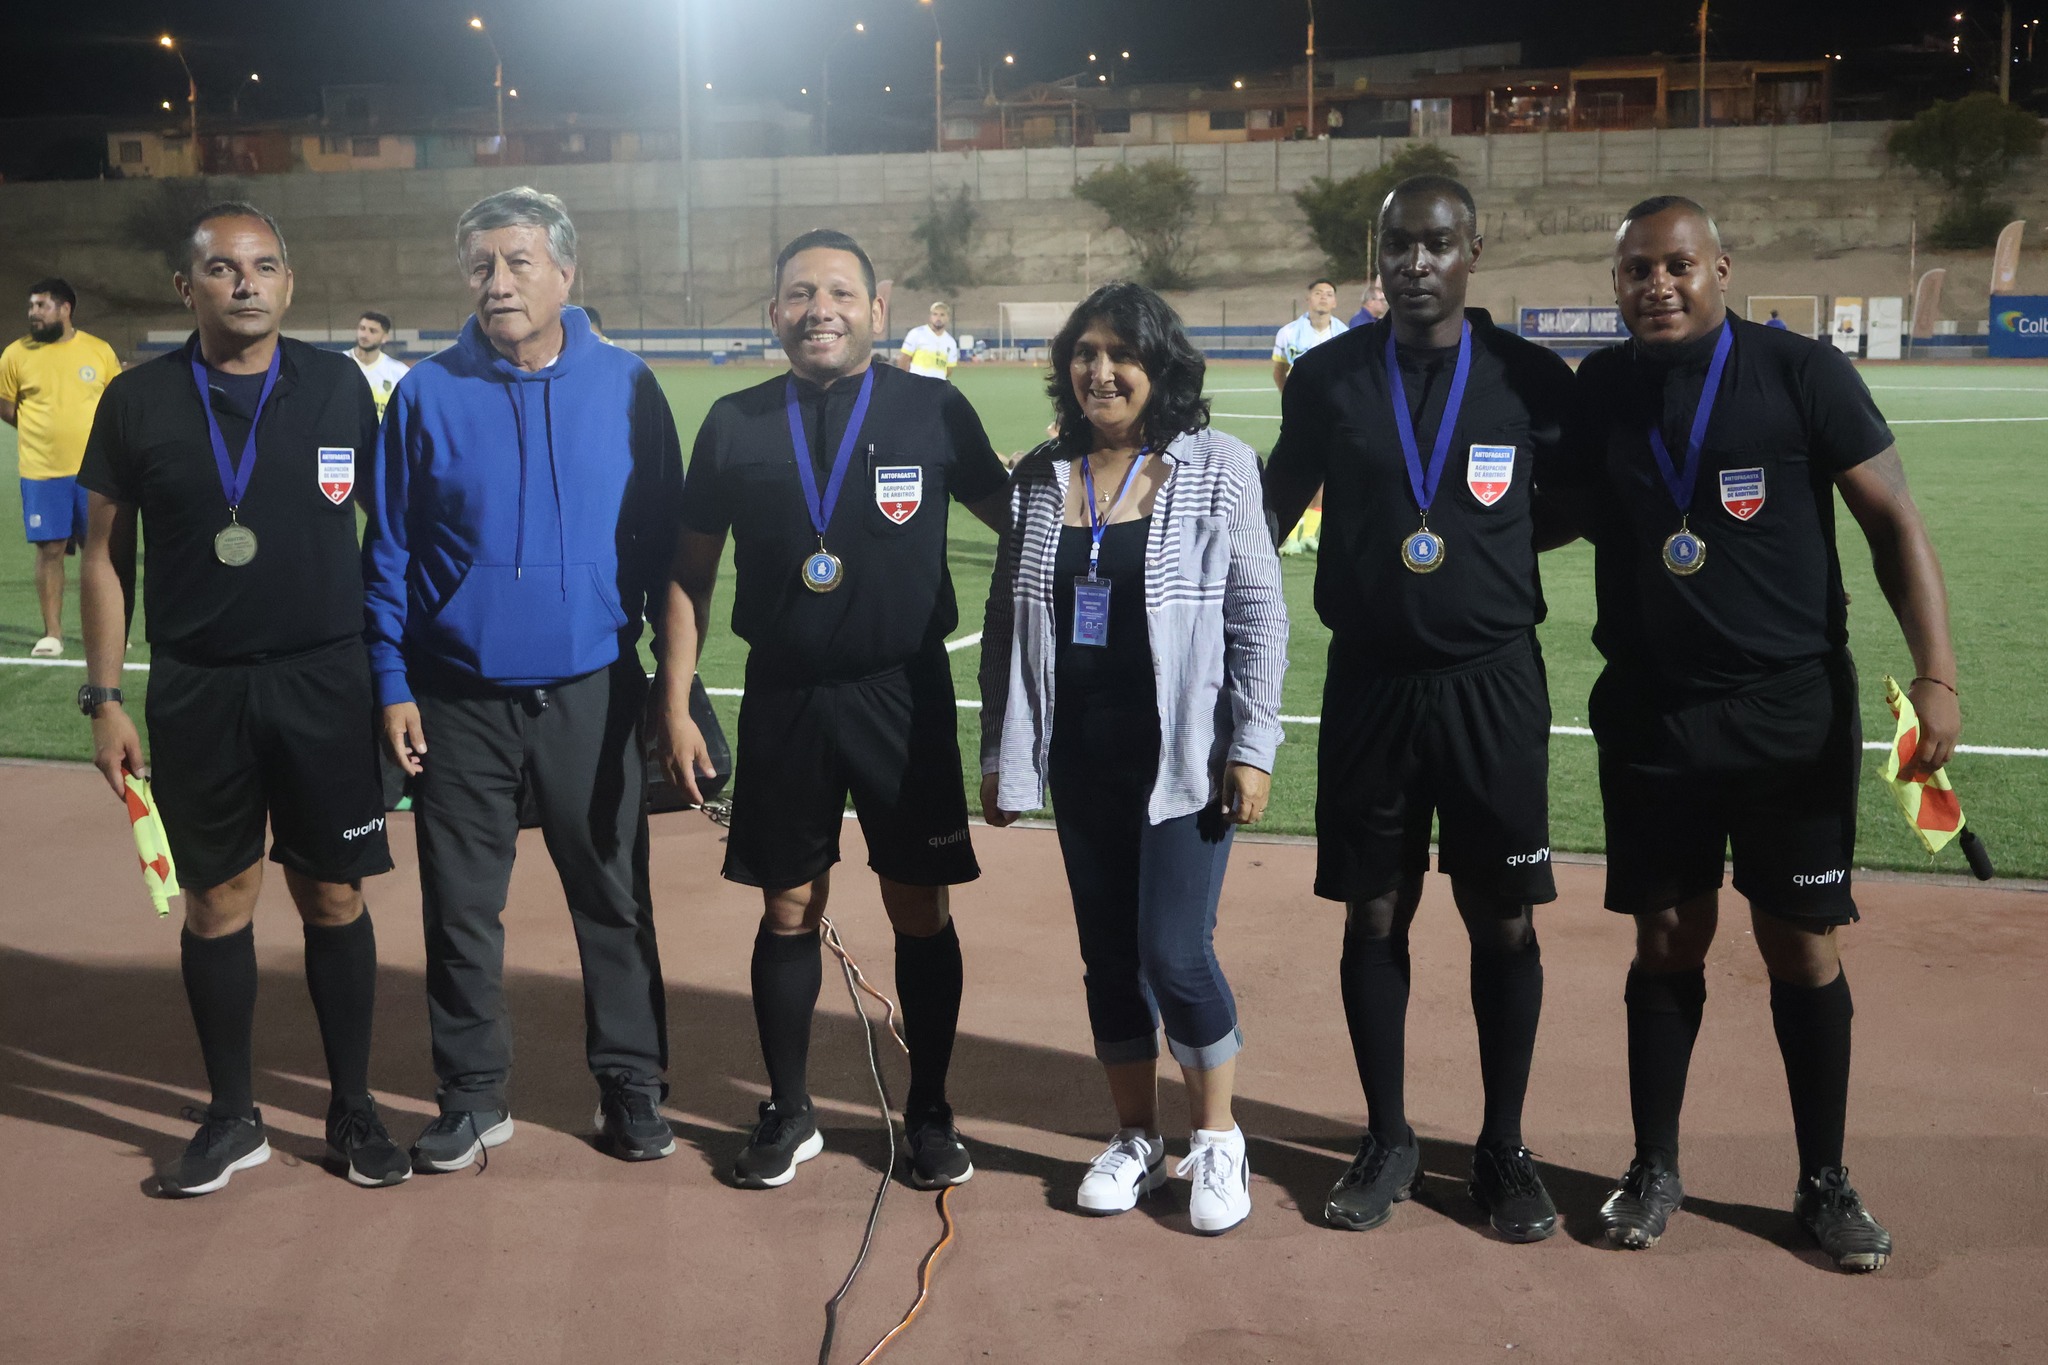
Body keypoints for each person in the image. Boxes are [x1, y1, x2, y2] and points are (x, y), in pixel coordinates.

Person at [1555, 195, 1959, 1273]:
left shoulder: (1798, 373)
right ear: (1615, 285)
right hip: (1649, 713)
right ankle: (1652, 1167)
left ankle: (1822, 1179)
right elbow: (1540, 512)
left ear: (1720, 269)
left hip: (1787, 712)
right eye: (1635, 269)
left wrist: (1937, 679)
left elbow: (1891, 522)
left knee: (1797, 943)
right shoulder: (1600, 390)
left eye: (1676, 264)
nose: (1656, 284)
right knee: (1665, 941)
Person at [655, 229, 1009, 1191]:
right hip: (785, 694)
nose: (822, 309)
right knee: (787, 905)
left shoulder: (935, 409)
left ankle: (929, 1109)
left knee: (918, 906)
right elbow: (687, 573)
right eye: (801, 293)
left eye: (841, 292)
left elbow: (1022, 520)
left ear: (878, 306)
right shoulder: (732, 421)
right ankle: (792, 1107)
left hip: (906, 691)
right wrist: (677, 697)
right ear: (774, 312)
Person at [1265, 175, 1574, 1243]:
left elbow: (1569, 504)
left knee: (1501, 916)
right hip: (1369, 683)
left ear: (1471, 251)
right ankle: (1387, 1135)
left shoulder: (1530, 378)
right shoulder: (1327, 377)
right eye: (1396, 245)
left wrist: (1474, 567)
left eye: (1435, 244)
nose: (1413, 263)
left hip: (1491, 680)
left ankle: (1501, 1147)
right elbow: (1271, 505)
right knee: (1374, 912)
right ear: (1376, 255)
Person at [76, 203, 407, 1195]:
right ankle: (233, 1118)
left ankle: (351, 1109)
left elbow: (383, 542)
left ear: (290, 283)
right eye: (223, 269)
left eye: (265, 266)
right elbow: (101, 559)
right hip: (198, 688)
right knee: (218, 902)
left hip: (325, 679)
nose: (247, 283)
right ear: (189, 289)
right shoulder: (136, 403)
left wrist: (392, 682)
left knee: (334, 894)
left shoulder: (339, 387)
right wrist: (103, 699)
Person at [363, 187, 683, 1171]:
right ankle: (470, 1098)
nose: (496, 283)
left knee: (614, 903)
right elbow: (389, 555)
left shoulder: (627, 386)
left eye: (516, 262)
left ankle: (629, 1088)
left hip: (591, 692)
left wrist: (669, 688)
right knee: (459, 908)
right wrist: (390, 680)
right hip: (456, 698)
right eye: (479, 266)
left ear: (564, 272)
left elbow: (669, 549)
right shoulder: (423, 393)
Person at [982, 282, 1287, 1235]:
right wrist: (1000, 750)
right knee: (1109, 959)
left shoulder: (1217, 465)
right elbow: (1004, 623)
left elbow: (1258, 612)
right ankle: (1135, 1137)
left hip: (1185, 757)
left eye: (1119, 353)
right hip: (1079, 755)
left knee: (1174, 950)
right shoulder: (1040, 474)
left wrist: (1255, 741)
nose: (1098, 370)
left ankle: (1218, 1136)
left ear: (1160, 366)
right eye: (1084, 351)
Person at [0, 279, 122, 657]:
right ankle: (52, 633)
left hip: (95, 473)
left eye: (41, 306)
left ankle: (105, 628)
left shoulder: (98, 351)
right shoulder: (15, 355)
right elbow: (6, 406)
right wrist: (41, 432)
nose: (33, 313)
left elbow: (116, 404)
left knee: (98, 551)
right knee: (50, 549)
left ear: (65, 308)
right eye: (31, 306)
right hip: (41, 471)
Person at [1272, 278, 1347, 391]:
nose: (1323, 297)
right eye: (1318, 293)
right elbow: (1279, 371)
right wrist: (1288, 400)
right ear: (1308, 299)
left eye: (1329, 294)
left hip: (1335, 402)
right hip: (1301, 399)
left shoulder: (1345, 334)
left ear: (1334, 302)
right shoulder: (1288, 332)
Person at [350, 311, 408, 420]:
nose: (364, 335)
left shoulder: (399, 372)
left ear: (385, 337)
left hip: (381, 435)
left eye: (372, 331)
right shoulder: (339, 364)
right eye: (362, 328)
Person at [897, 301, 961, 380]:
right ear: (930, 317)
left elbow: (949, 370)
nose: (938, 318)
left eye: (942, 315)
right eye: (935, 314)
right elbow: (904, 359)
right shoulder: (917, 333)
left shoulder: (951, 342)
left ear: (947, 318)